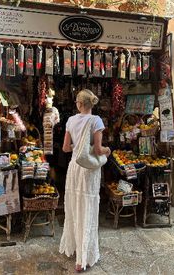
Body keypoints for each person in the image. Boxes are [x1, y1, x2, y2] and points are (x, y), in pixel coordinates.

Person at [59, 89, 111, 272]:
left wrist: (78, 145)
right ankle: (82, 259)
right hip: (88, 170)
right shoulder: (96, 120)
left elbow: (66, 148)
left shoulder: (71, 120)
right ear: (91, 104)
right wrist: (107, 150)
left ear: (79, 104)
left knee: (74, 206)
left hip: (74, 168)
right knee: (87, 208)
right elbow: (97, 150)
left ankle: (75, 250)